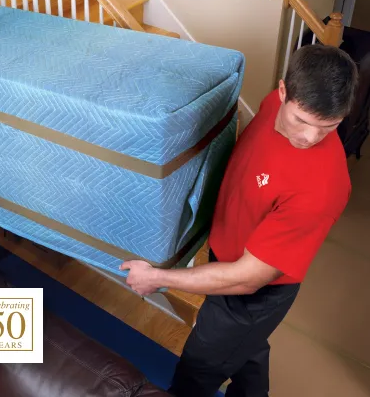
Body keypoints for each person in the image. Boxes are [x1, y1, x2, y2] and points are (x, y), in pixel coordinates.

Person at [120, 44, 359, 397]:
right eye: (302, 121)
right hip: (229, 259)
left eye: (329, 126)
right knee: (248, 349)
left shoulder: (322, 187)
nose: (310, 137)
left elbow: (249, 279)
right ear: (282, 93)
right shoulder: (269, 105)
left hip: (254, 293)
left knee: (195, 374)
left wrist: (158, 278)